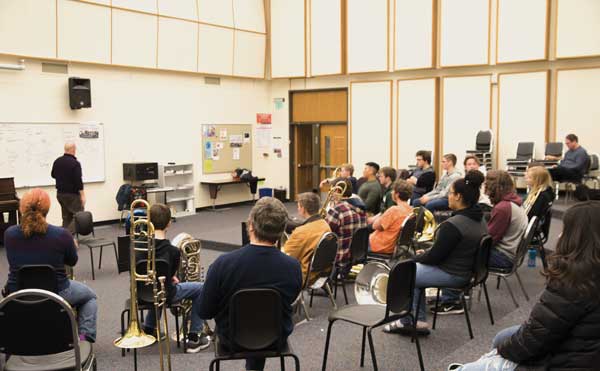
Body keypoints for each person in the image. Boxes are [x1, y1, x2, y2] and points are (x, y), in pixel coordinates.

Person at [448, 201, 600, 371]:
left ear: (578, 238)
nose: (559, 235)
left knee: (481, 361)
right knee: (502, 337)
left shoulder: (574, 280)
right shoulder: (589, 274)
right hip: (585, 351)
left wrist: (500, 354)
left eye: (565, 230)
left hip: (568, 361)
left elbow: (535, 339)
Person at [198, 198, 302, 371]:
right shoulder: (293, 266)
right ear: (283, 229)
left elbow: (204, 311)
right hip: (275, 339)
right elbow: (290, 299)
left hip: (232, 340)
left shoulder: (223, 264)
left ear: (251, 225)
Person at [384, 172, 487, 335]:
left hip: (454, 273)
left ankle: (411, 321)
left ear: (459, 197)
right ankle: (417, 318)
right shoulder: (480, 219)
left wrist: (417, 257)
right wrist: (427, 253)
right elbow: (449, 250)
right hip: (466, 271)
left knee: (406, 271)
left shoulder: (454, 225)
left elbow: (434, 258)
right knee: (413, 267)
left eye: (451, 193)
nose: (449, 197)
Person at [3, 188, 97, 343]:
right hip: (57, 293)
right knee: (89, 297)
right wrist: (70, 245)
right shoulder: (62, 234)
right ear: (47, 209)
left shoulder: (10, 234)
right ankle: (83, 340)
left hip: (18, 294)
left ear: (22, 208)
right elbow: (72, 261)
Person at [139, 203, 210, 353]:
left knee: (154, 286)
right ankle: (194, 337)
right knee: (201, 288)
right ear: (169, 223)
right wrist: (171, 277)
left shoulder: (138, 245)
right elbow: (168, 275)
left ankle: (150, 328)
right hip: (167, 294)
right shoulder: (173, 251)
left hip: (140, 293)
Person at [282, 192, 331, 284]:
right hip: (324, 272)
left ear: (303, 209)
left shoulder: (301, 231)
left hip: (306, 276)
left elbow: (285, 258)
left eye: (298, 206)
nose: (297, 208)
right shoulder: (325, 225)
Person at [485, 171, 528, 270]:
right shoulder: (514, 201)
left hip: (503, 257)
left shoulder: (503, 208)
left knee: (461, 253)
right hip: (512, 253)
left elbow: (489, 241)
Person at [324, 178, 367, 273]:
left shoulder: (337, 210)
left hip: (340, 256)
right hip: (356, 255)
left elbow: (324, 234)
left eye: (331, 191)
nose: (330, 194)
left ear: (338, 191)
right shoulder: (361, 206)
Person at [368, 180, 413, 255]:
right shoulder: (411, 210)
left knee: (355, 241)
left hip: (380, 246)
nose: (391, 193)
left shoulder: (394, 210)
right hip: (394, 246)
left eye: (393, 191)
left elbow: (375, 225)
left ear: (397, 194)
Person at [51, 142, 86, 233]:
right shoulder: (75, 163)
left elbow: (53, 175)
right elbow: (78, 180)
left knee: (66, 218)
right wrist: (82, 195)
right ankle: (68, 237)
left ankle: (63, 240)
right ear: (73, 149)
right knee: (79, 216)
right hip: (72, 195)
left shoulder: (57, 161)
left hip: (60, 194)